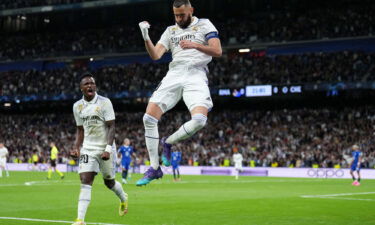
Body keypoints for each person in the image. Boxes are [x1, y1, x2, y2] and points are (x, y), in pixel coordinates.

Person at [136, 0, 222, 186]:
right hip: (174, 74)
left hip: (196, 74)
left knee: (199, 120)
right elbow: (156, 55)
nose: (179, 18)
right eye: (176, 15)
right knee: (148, 118)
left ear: (191, 10)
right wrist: (145, 36)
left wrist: (195, 45)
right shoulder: (170, 31)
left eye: (182, 15)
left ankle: (168, 142)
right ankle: (155, 168)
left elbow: (217, 50)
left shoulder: (205, 24)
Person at [70, 73, 128, 225]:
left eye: (92, 83)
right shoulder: (77, 106)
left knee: (109, 182)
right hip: (88, 148)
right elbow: (80, 129)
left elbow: (112, 126)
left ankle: (123, 198)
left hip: (105, 148)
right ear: (81, 88)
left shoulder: (104, 102)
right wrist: (76, 147)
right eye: (87, 84)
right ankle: (80, 220)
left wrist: (108, 149)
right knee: (85, 180)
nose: (90, 86)